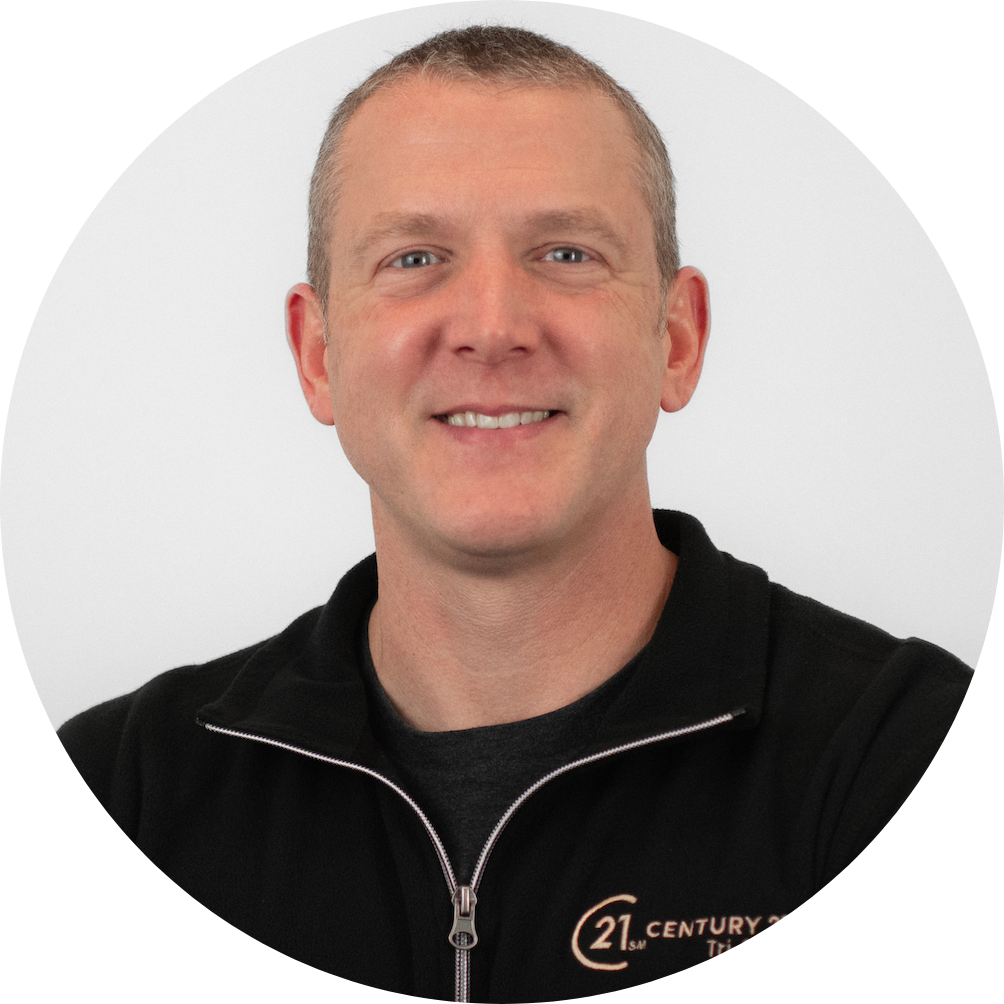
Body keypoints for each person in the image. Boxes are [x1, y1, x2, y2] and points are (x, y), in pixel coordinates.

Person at [56, 25, 973, 1001]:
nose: (492, 328)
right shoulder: (128, 788)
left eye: (566, 252)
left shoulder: (898, 752)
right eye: (415, 257)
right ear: (318, 356)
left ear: (675, 338)